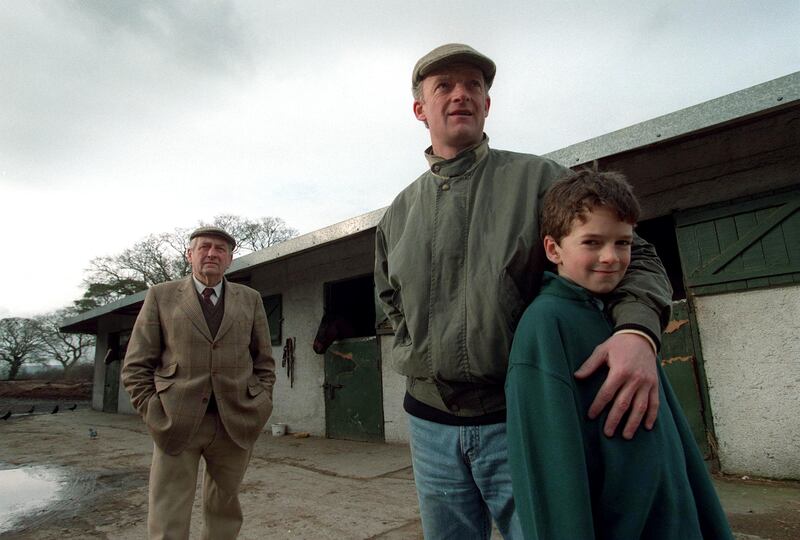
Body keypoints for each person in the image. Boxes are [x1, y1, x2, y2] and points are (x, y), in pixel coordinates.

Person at [373, 43, 673, 538]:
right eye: (443, 86)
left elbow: (633, 255)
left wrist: (637, 334)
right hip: (428, 424)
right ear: (420, 110)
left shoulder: (544, 181)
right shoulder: (397, 214)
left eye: (473, 86)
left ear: (487, 104)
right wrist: (417, 352)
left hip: (520, 419)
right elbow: (388, 302)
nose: (460, 95)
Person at [505, 170, 733, 539]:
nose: (610, 257)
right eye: (592, 242)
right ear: (553, 249)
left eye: (622, 243)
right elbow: (550, 474)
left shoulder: (624, 319)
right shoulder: (546, 326)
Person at [122, 226, 276, 540]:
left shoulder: (250, 299)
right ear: (189, 254)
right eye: (204, 247)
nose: (211, 253)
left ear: (230, 259)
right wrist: (154, 412)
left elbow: (264, 362)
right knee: (168, 513)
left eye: (221, 249)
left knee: (225, 510)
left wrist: (259, 404)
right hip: (175, 421)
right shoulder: (161, 296)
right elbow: (136, 365)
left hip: (235, 421)